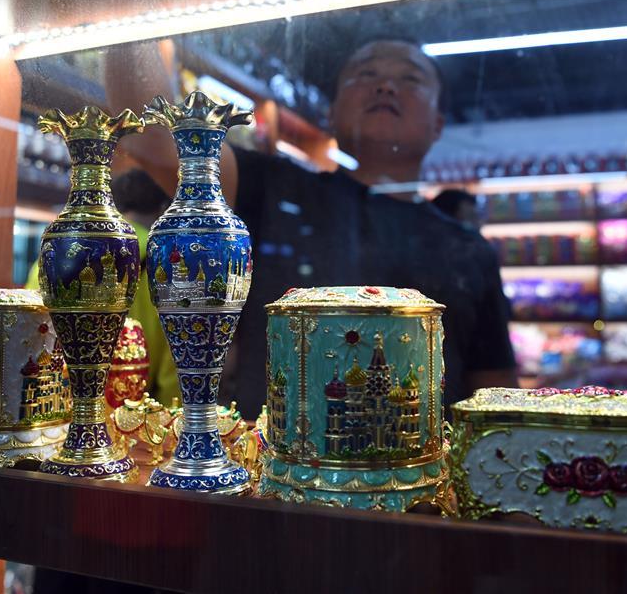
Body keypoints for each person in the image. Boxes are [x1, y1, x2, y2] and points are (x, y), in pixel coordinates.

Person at [105, 38, 518, 415]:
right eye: (365, 75)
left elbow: (494, 396)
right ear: (332, 114)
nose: (385, 87)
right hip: (269, 466)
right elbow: (154, 141)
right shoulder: (274, 187)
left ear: (438, 124)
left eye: (410, 79)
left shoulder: (469, 250)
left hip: (423, 472)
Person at [26, 169, 181, 407]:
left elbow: (29, 326)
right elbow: (173, 373)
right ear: (164, 208)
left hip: (51, 403)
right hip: (128, 411)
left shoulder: (56, 250)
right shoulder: (162, 261)